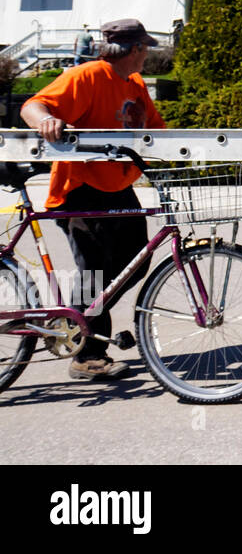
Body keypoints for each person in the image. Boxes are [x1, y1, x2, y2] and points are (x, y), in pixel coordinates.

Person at [22, 19, 166, 381]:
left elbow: (156, 129)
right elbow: (33, 106)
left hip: (117, 185)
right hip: (80, 186)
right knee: (94, 270)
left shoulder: (134, 85)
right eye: (145, 49)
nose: (146, 55)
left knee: (136, 260)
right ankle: (87, 354)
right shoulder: (86, 76)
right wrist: (47, 122)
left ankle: (79, 321)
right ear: (134, 50)